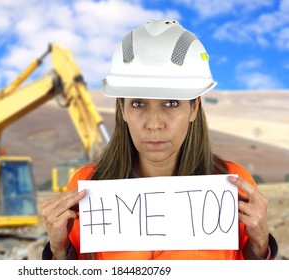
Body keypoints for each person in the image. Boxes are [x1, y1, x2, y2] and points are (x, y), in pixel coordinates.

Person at [41, 19, 278, 260]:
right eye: (139, 104)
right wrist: (59, 252)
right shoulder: (84, 187)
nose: (154, 124)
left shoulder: (234, 186)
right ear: (122, 108)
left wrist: (259, 247)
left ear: (194, 107)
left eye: (171, 103)